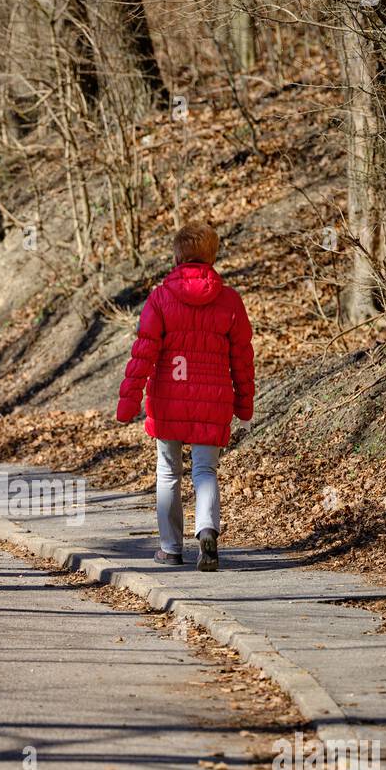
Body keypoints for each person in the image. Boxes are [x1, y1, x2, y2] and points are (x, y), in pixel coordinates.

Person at [115, 221, 255, 571]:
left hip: (167, 401)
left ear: (178, 255)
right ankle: (207, 530)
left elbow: (143, 353)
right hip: (213, 401)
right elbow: (242, 357)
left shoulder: (161, 297)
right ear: (212, 255)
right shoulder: (230, 301)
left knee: (168, 472)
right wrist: (244, 401)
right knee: (205, 470)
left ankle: (170, 548)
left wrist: (128, 401)